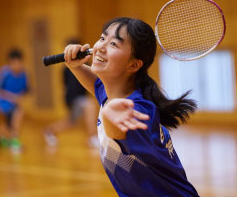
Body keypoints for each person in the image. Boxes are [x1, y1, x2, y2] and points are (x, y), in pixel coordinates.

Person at [63, 17, 199, 196]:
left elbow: (118, 132)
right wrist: (75, 67)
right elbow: (96, 84)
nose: (101, 47)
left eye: (113, 44)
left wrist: (109, 116)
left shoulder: (139, 110)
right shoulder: (111, 91)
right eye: (103, 38)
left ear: (133, 64)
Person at [43, 38, 99, 148]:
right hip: (72, 98)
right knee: (89, 104)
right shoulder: (66, 68)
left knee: (72, 123)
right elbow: (66, 86)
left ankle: (49, 130)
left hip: (81, 97)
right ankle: (93, 137)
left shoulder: (86, 63)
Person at [0, 48, 29, 152]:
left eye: (19, 62)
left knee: (9, 124)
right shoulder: (4, 72)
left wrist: (21, 96)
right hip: (4, 102)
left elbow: (26, 89)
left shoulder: (24, 73)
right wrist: (12, 97)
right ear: (10, 63)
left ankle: (0, 138)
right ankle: (14, 140)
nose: (17, 65)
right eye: (14, 63)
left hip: (15, 102)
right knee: (19, 113)